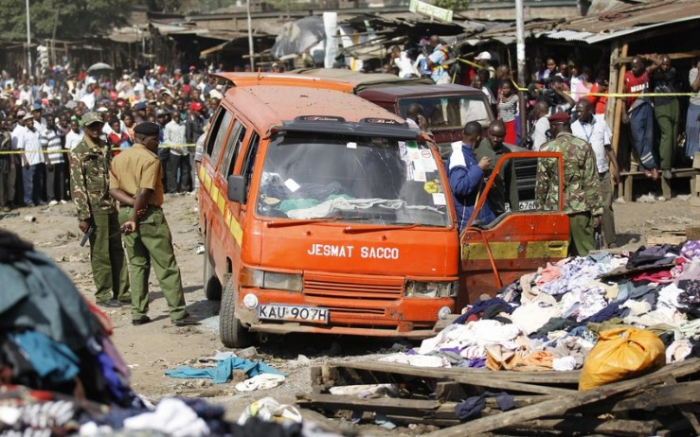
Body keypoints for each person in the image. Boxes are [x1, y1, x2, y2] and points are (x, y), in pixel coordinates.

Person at [108, 122, 197, 327]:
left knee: (138, 264)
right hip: (147, 215)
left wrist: (130, 211)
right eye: (156, 139)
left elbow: (113, 190)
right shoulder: (151, 160)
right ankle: (178, 313)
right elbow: (144, 191)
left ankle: (138, 313)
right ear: (143, 139)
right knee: (166, 264)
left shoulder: (119, 159)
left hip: (125, 212)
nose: (158, 143)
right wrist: (136, 216)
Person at [69, 112, 130, 308]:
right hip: (95, 209)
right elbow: (77, 186)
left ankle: (122, 292)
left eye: (98, 125)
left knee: (117, 250)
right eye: (91, 126)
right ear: (84, 128)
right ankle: (104, 294)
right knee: (100, 253)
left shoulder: (105, 147)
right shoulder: (79, 152)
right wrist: (83, 215)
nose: (95, 129)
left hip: (111, 205)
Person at [536, 112, 603, 257]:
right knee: (587, 256)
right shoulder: (584, 146)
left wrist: (539, 210)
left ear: (554, 127)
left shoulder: (546, 149)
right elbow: (591, 181)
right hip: (580, 209)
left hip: (555, 210)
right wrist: (596, 212)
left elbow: (542, 184)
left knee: (557, 259)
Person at [572, 100, 619, 248]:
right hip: (584, 174)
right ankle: (591, 241)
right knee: (588, 207)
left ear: (589, 110)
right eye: (577, 111)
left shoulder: (600, 122)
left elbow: (608, 147)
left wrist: (616, 168)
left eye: (581, 111)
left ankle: (610, 240)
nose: (578, 114)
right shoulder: (574, 127)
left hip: (602, 171)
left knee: (606, 206)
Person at [447, 121, 494, 232]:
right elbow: (459, 187)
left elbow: (469, 179)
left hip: (476, 219)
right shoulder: (458, 156)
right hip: (468, 223)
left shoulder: (467, 154)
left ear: (463, 133)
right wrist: (479, 168)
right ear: (478, 138)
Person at [622, 55, 658, 180]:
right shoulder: (626, 76)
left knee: (649, 138)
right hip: (633, 110)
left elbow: (658, 63)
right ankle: (652, 165)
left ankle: (645, 168)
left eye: (636, 66)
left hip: (647, 108)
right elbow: (622, 96)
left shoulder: (646, 73)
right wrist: (624, 113)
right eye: (632, 66)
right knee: (638, 139)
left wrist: (647, 57)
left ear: (642, 66)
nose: (634, 69)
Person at [475, 120, 519, 216]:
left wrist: (516, 211)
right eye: (492, 135)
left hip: (498, 206)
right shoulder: (477, 148)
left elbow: (511, 183)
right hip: (479, 205)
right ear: (488, 133)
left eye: (499, 136)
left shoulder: (507, 153)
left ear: (504, 136)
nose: (495, 139)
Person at [649, 54, 680, 179]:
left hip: (673, 103)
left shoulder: (672, 72)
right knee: (666, 134)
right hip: (660, 105)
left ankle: (670, 163)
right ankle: (665, 166)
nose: (665, 67)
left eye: (667, 64)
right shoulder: (653, 72)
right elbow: (653, 72)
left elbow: (665, 74)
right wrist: (654, 61)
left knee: (673, 135)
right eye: (663, 64)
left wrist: (652, 59)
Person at [18, 115, 45, 207]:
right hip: (29, 161)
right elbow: (20, 148)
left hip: (38, 159)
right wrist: (24, 160)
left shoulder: (36, 131)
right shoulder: (23, 133)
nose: (31, 122)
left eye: (32, 120)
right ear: (25, 122)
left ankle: (38, 199)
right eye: (29, 121)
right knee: (28, 183)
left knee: (38, 182)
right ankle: (28, 200)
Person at [39, 116, 67, 205]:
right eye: (49, 120)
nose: (51, 121)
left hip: (60, 159)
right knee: (51, 180)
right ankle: (51, 198)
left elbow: (63, 137)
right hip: (51, 160)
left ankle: (61, 197)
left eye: (52, 120)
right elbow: (43, 148)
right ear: (46, 122)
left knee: (60, 179)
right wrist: (47, 161)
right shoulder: (44, 132)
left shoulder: (58, 130)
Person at [164, 109, 190, 193]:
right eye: (175, 117)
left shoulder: (183, 125)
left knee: (185, 170)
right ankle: (173, 189)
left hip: (184, 151)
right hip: (174, 152)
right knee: (172, 171)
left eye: (178, 116)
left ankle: (184, 188)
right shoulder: (168, 126)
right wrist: (175, 146)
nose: (177, 118)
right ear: (172, 116)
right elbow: (166, 140)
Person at [497, 80, 518, 145]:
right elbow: (498, 108)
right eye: (504, 88)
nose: (506, 90)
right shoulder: (500, 96)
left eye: (508, 88)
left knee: (510, 142)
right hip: (502, 123)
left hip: (511, 122)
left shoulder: (515, 97)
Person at [0, 119, 15, 212]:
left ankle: (4, 204)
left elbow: (7, 149)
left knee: (3, 185)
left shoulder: (5, 135)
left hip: (3, 164)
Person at [687, 59, 700, 158]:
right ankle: (694, 158)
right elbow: (695, 87)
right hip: (695, 105)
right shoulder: (693, 72)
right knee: (693, 131)